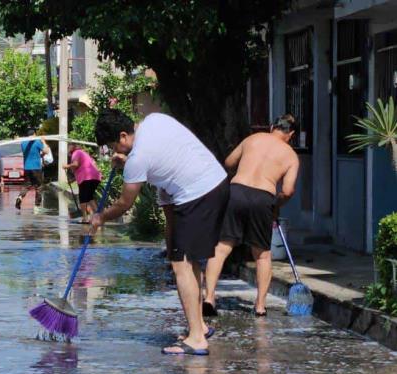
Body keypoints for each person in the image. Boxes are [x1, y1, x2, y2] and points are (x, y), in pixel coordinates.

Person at [90, 109, 229, 356]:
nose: (116, 152)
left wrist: (100, 217)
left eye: (114, 146)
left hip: (197, 195)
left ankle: (197, 339)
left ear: (123, 136)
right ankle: (200, 327)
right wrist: (127, 162)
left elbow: (124, 203)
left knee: (181, 266)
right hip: (214, 183)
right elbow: (164, 159)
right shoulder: (155, 120)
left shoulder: (138, 158)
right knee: (190, 263)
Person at [203, 114, 300, 317]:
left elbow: (229, 162)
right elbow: (288, 190)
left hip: (236, 191)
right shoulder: (291, 156)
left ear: (272, 126)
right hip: (263, 197)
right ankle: (260, 306)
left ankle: (209, 297)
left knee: (220, 249)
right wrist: (277, 205)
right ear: (291, 134)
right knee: (262, 255)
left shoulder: (252, 139)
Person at [63, 143, 102, 223]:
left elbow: (76, 164)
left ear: (73, 147)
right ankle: (98, 216)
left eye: (69, 146)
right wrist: (72, 180)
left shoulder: (76, 152)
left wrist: (66, 166)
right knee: (89, 197)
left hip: (86, 177)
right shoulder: (84, 153)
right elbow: (83, 167)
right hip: (95, 176)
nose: (68, 148)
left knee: (83, 197)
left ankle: (85, 218)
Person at [15, 129, 50, 210]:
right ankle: (37, 206)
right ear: (34, 134)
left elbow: (33, 153)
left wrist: (41, 154)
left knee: (26, 186)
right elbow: (47, 151)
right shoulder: (37, 142)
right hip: (36, 168)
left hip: (27, 168)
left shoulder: (23, 143)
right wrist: (44, 141)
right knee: (39, 186)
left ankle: (20, 197)